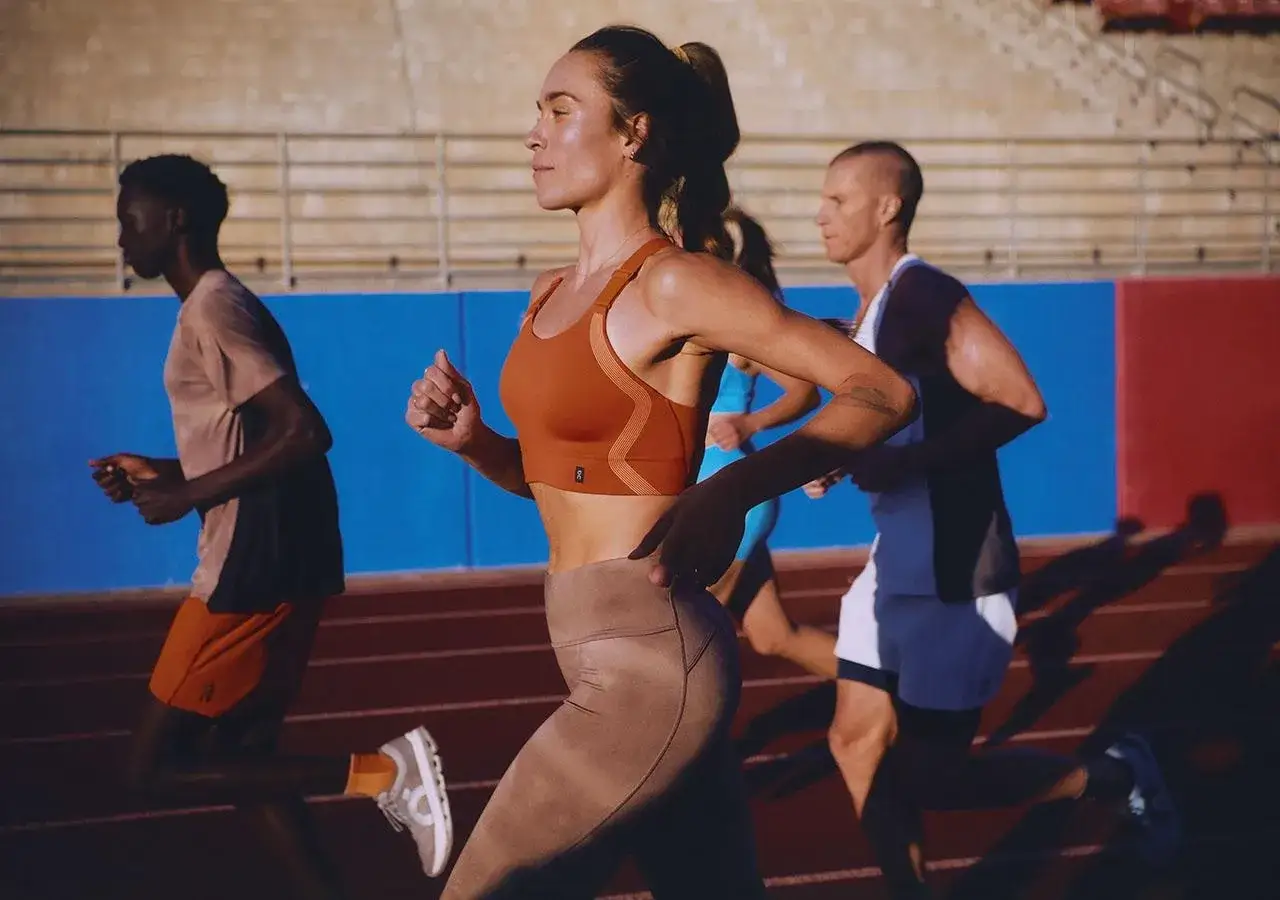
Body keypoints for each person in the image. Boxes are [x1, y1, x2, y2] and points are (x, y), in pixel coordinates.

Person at [403, 25, 917, 899]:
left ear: (633, 133)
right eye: (537, 112)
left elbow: (882, 393)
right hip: (604, 640)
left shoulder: (675, 284)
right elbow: (561, 484)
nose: (535, 133)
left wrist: (734, 491)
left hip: (648, 661)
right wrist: (477, 444)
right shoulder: (549, 295)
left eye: (562, 111)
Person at [805, 141, 1179, 898]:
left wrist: (906, 464)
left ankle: (1117, 773)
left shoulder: (922, 293)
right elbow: (904, 427)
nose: (820, 214)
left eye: (838, 200)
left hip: (955, 570)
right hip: (898, 562)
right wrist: (850, 458)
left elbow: (1020, 398)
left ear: (888, 209)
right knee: (854, 742)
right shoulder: (874, 311)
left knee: (933, 779)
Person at [90, 154, 453, 898]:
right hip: (277, 556)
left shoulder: (213, 308)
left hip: (247, 569)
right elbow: (252, 437)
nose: (122, 239)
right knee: (246, 755)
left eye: (131, 221)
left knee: (150, 768)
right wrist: (167, 472)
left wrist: (188, 490)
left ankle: (384, 773)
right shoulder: (219, 304)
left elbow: (302, 431)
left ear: (175, 221)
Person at [697, 207, 838, 680]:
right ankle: (887, 688)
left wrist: (750, 423)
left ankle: (700, 751)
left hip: (731, 492)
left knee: (688, 631)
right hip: (715, 491)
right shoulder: (693, 320)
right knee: (773, 635)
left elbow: (806, 391)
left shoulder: (740, 333)